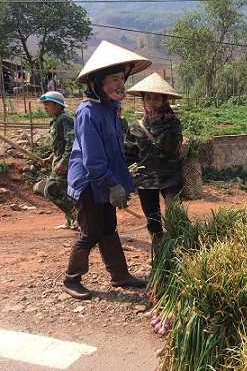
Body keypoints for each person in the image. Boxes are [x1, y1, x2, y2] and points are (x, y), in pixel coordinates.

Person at [63, 40, 152, 300]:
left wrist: (121, 179)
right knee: (91, 232)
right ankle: (71, 278)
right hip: (91, 183)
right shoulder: (88, 112)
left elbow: (115, 152)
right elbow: (92, 159)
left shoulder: (110, 110)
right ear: (95, 84)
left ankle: (119, 275)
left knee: (109, 228)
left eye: (120, 79)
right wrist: (112, 184)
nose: (119, 85)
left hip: (106, 181)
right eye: (113, 80)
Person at [124, 73, 183, 244]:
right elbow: (129, 155)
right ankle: (160, 251)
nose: (152, 102)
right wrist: (128, 180)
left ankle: (180, 247)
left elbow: (172, 146)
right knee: (153, 219)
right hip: (145, 181)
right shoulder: (135, 126)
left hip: (170, 177)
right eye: (148, 98)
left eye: (157, 98)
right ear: (143, 100)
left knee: (175, 215)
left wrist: (157, 124)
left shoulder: (173, 123)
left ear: (165, 100)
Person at [38, 91, 76, 229]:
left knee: (51, 190)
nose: (45, 107)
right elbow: (59, 144)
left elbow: (71, 143)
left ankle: (77, 215)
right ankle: (71, 220)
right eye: (44, 104)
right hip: (59, 161)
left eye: (47, 104)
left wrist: (63, 162)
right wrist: (51, 157)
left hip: (67, 163)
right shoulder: (55, 120)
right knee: (65, 191)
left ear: (57, 105)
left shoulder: (63, 119)